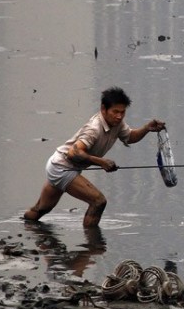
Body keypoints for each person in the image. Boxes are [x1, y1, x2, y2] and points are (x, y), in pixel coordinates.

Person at [24, 87, 166, 228]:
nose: (119, 116)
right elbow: (74, 152)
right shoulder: (94, 128)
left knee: (40, 210)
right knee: (98, 201)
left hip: (57, 165)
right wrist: (101, 162)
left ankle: (24, 227)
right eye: (115, 112)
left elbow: (130, 137)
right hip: (62, 168)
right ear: (103, 109)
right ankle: (91, 244)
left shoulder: (117, 124)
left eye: (122, 112)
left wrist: (147, 128)